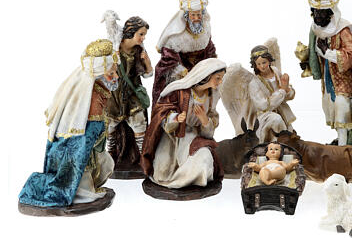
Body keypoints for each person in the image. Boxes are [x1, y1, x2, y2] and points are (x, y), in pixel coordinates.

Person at [19, 39, 119, 209]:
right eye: (111, 73)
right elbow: (89, 134)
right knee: (87, 169)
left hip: (91, 146)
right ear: (99, 74)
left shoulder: (97, 88)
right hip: (79, 150)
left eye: (115, 71)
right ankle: (81, 193)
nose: (116, 77)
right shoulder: (90, 96)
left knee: (105, 164)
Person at [141, 58, 226, 189]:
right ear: (206, 75)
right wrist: (175, 118)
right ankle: (176, 177)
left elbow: (210, 127)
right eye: (218, 78)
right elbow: (161, 112)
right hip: (173, 137)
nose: (220, 82)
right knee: (162, 173)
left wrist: (205, 120)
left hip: (195, 137)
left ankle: (189, 179)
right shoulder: (180, 91)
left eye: (221, 78)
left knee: (204, 159)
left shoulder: (212, 96)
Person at [307, 0, 352, 146]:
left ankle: (343, 148)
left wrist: (327, 52)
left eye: (322, 12)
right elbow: (314, 53)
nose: (318, 16)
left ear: (330, 13)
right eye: (316, 12)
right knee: (332, 109)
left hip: (344, 80)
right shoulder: (316, 30)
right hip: (328, 78)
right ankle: (341, 142)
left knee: (342, 110)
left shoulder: (343, 30)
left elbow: (351, 55)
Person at [103, 13, 153, 170]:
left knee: (139, 124)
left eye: (144, 35)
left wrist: (146, 62)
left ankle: (143, 158)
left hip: (132, 95)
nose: (143, 38)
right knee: (110, 126)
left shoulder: (140, 51)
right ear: (131, 32)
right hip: (114, 94)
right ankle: (111, 153)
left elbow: (148, 74)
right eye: (141, 34)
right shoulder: (114, 47)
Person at [152, 0, 217, 105]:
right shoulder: (176, 36)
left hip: (201, 69)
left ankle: (208, 112)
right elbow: (169, 58)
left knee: (215, 84)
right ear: (187, 16)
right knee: (182, 94)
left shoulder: (205, 29)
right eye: (193, 15)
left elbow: (209, 48)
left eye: (199, 15)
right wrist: (183, 71)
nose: (196, 18)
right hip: (182, 71)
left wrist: (212, 64)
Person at [248, 43, 296, 143]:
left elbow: (286, 95)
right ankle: (275, 144)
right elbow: (263, 106)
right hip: (265, 115)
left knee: (288, 132)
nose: (262, 66)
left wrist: (287, 88)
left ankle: (285, 144)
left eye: (264, 62)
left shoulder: (275, 71)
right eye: (258, 64)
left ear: (269, 60)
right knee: (276, 119)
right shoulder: (254, 83)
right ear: (255, 65)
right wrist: (282, 91)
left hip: (281, 111)